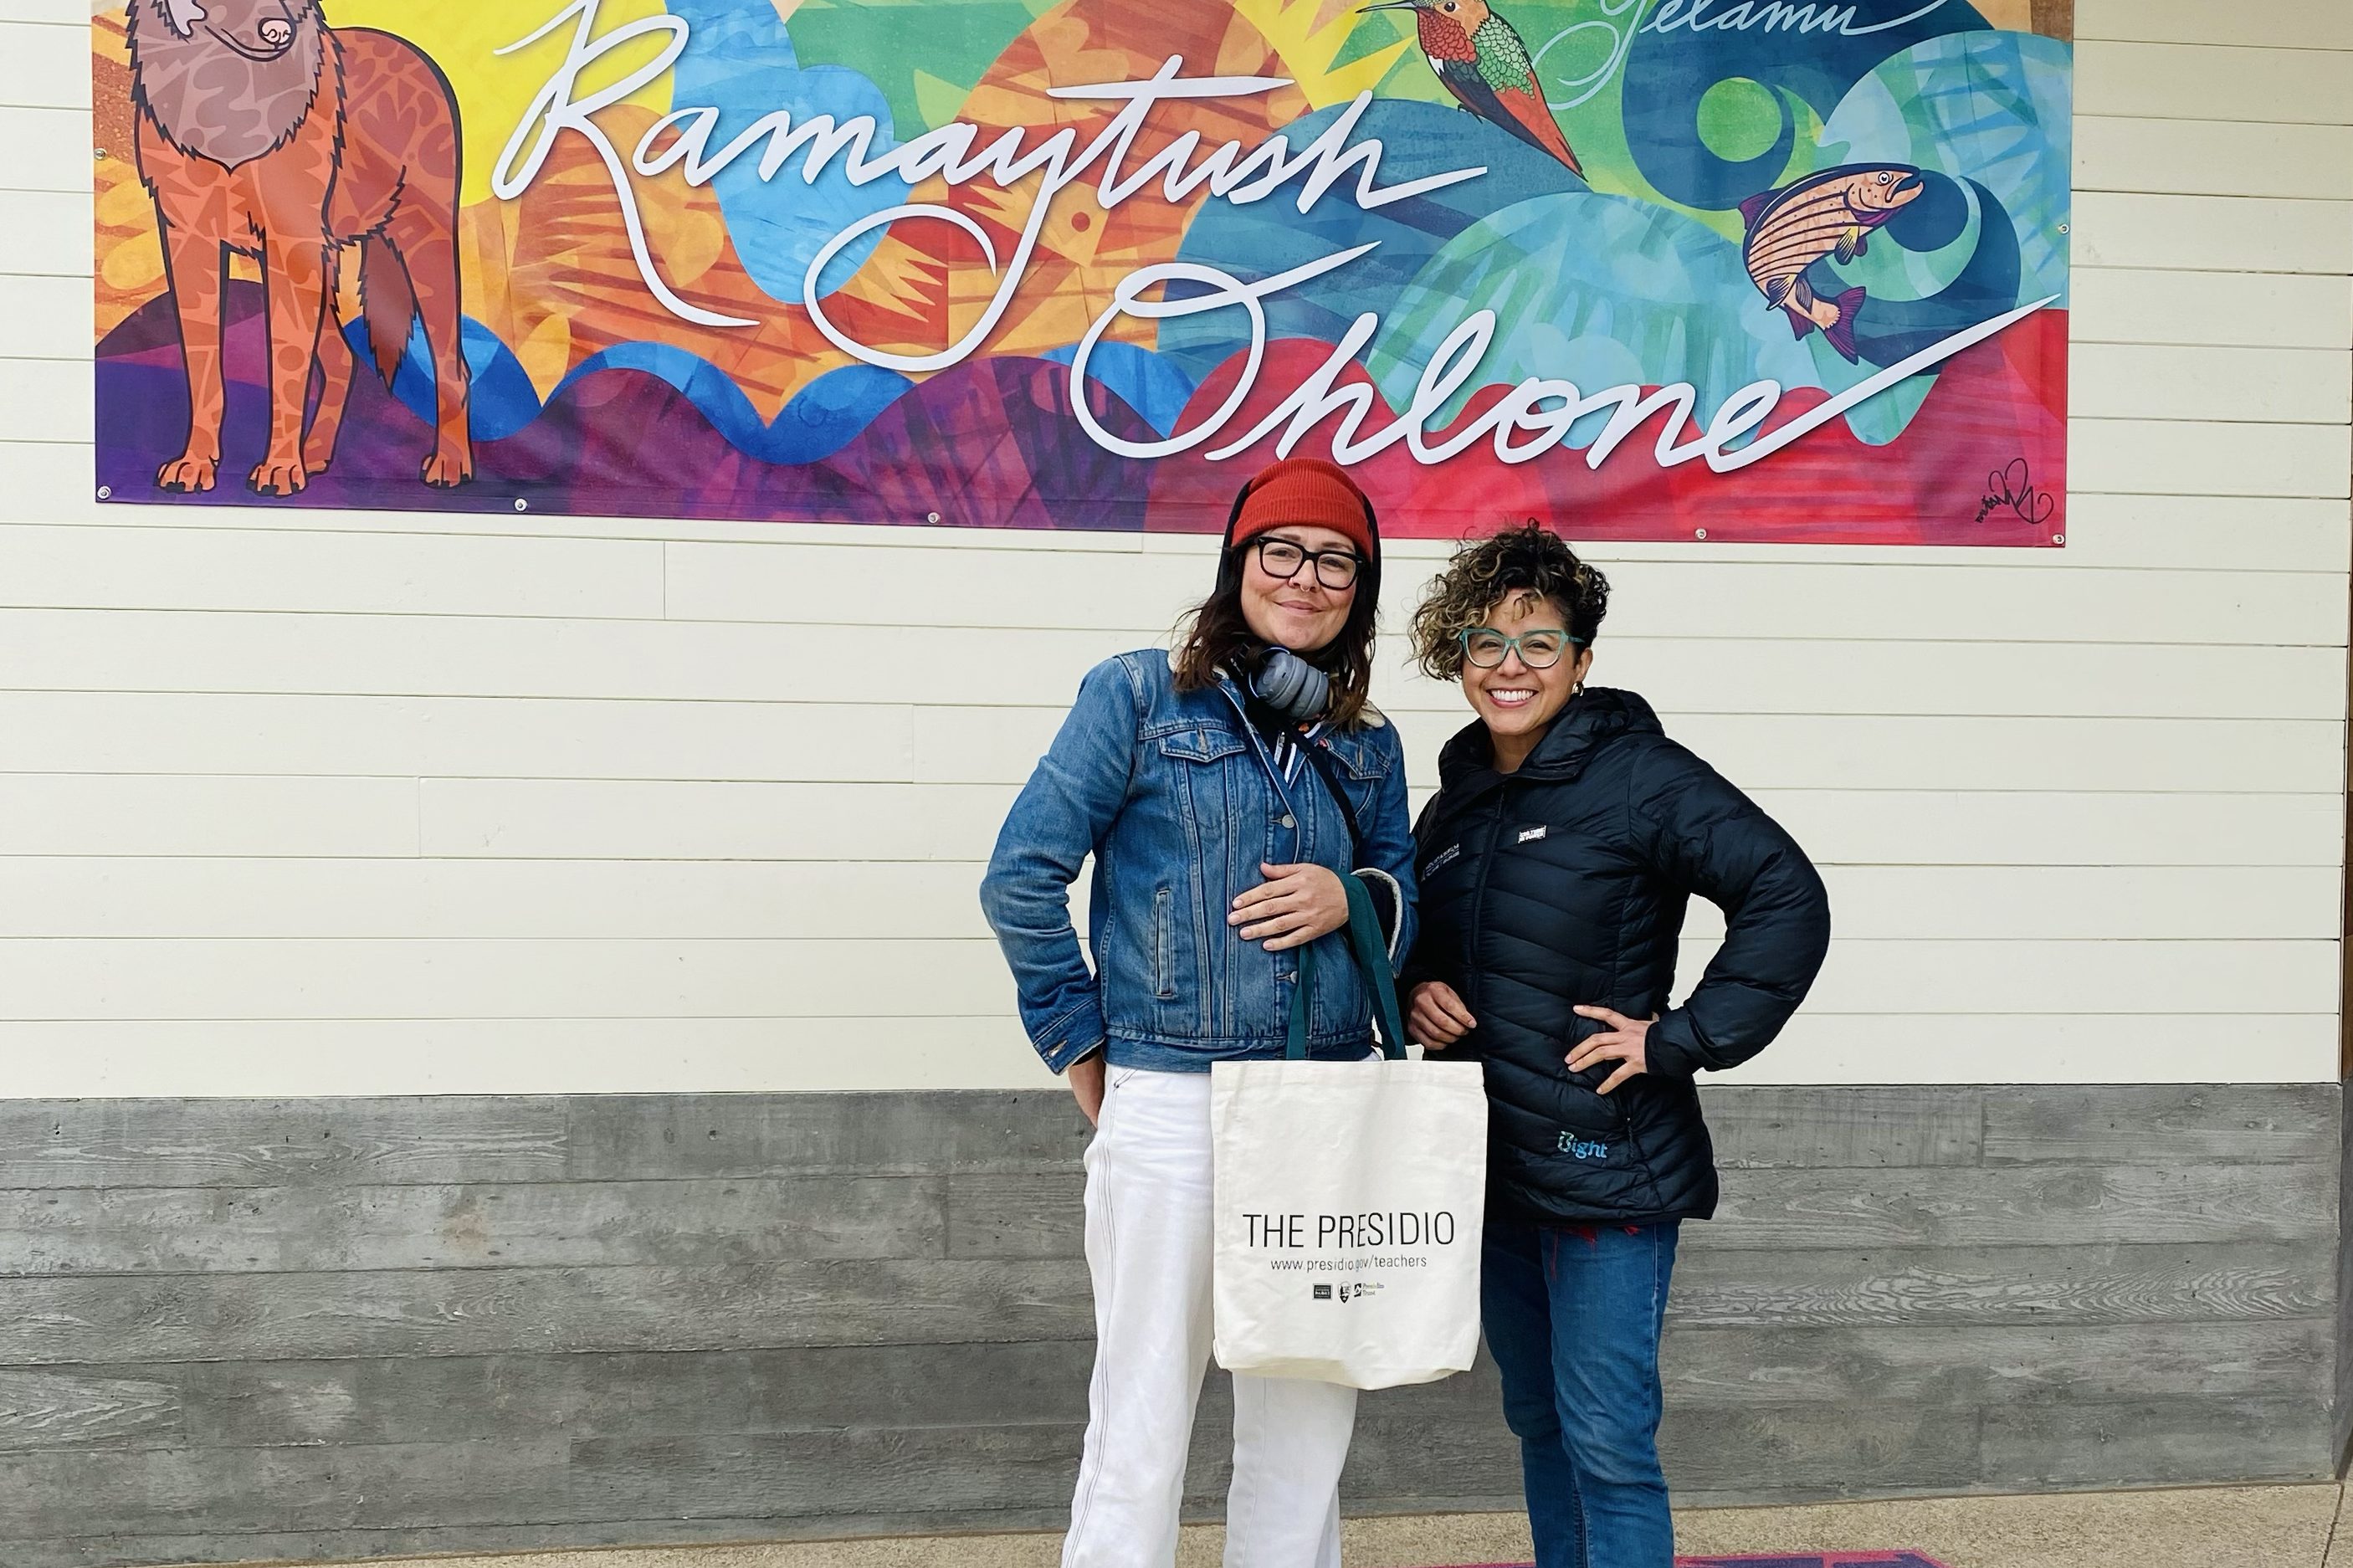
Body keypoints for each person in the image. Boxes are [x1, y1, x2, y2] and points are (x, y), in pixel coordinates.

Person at [979, 457, 1418, 1568]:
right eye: (1283, 551)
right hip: (1172, 1100)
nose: (1306, 578)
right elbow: (1022, 873)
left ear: (1358, 592)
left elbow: (1413, 904)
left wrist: (1354, 897)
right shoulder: (1136, 696)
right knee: (1142, 1412)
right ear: (1238, 563)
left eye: (1335, 562)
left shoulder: (1366, 744)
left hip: (1323, 1103)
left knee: (1304, 1421)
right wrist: (1079, 1038)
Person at [1399, 522, 1832, 1568]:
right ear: (1457, 659)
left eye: (1538, 641)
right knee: (1539, 1422)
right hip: (1493, 1169)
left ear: (1581, 660)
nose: (1510, 666)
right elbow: (1426, 944)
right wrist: (1416, 989)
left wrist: (1681, 1038)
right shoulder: (1454, 801)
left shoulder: (1639, 774)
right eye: (1484, 642)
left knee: (1608, 1440)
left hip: (1608, 1169)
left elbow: (1785, 893)